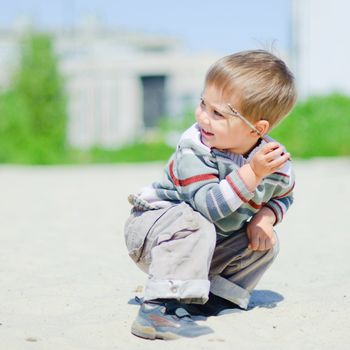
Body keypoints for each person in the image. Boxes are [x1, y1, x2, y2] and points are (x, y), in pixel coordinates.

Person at [124, 50, 297, 340]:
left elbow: (284, 195)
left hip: (204, 247)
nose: (202, 116)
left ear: (258, 128)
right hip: (154, 233)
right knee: (195, 221)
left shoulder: (272, 161)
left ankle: (214, 299)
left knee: (265, 243)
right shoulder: (195, 149)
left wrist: (265, 218)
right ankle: (157, 308)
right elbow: (208, 208)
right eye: (203, 103)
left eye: (217, 113)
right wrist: (251, 175)